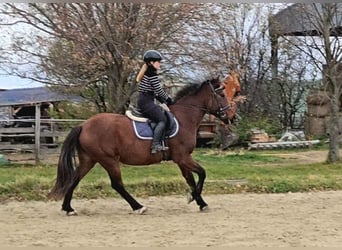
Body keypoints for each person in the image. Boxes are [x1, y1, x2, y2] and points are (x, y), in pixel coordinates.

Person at [136, 50, 174, 154]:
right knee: (162, 120)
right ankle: (155, 145)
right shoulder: (151, 75)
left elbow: (152, 91)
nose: (160, 64)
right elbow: (159, 90)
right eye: (158, 61)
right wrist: (169, 99)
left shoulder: (147, 74)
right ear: (151, 63)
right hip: (146, 102)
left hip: (145, 100)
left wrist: (161, 99)